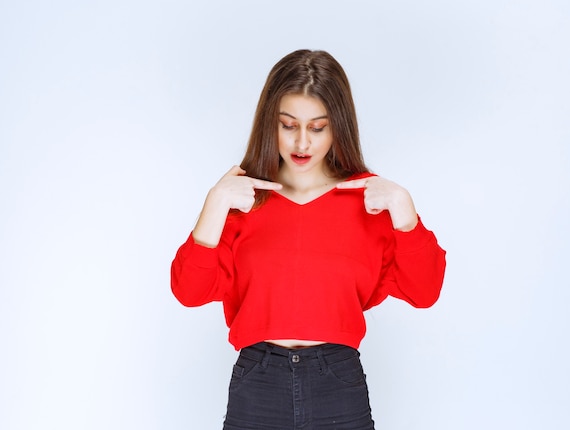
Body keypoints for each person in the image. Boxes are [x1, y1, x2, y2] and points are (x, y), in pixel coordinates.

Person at [171, 49, 446, 430]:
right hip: (258, 384)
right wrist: (214, 204)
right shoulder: (240, 200)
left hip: (338, 385)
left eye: (318, 127)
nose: (303, 142)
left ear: (339, 127)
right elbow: (189, 291)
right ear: (270, 123)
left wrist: (405, 211)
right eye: (288, 125)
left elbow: (425, 291)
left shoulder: (369, 200)